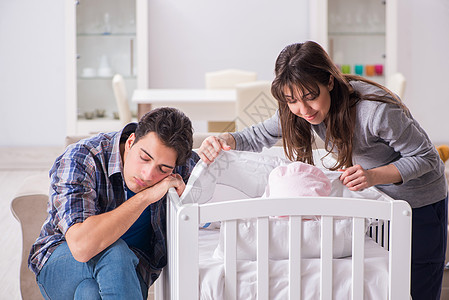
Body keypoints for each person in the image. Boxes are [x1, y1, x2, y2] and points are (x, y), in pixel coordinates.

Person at [198, 41, 448, 300]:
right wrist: (226, 139)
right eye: (292, 100)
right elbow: (258, 135)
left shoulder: (376, 112)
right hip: (375, 200)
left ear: (329, 82)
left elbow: (427, 157)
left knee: (417, 285)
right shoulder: (295, 108)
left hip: (420, 201)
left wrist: (373, 176)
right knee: (384, 282)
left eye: (310, 97)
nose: (303, 110)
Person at [29, 107, 199, 299]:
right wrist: (146, 196)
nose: (149, 174)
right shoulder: (82, 158)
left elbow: (216, 210)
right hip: (62, 261)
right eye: (144, 158)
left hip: (131, 272)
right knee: (116, 253)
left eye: (163, 169)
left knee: (90, 293)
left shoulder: (181, 168)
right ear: (131, 142)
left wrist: (221, 147)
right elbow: (82, 246)